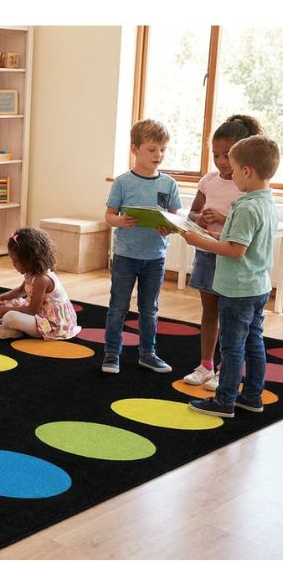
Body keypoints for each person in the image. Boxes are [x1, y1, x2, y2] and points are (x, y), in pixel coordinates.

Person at [183, 135, 280, 418]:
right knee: (254, 342)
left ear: (247, 171)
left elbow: (235, 250)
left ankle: (224, 400)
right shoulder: (266, 202)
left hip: (238, 290)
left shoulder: (247, 206)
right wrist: (208, 234)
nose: (231, 173)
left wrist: (198, 241)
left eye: (235, 169)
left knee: (232, 347)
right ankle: (252, 396)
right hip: (258, 285)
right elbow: (240, 240)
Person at [102, 118, 182, 374]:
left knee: (150, 309)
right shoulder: (124, 181)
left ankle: (148, 353)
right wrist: (121, 221)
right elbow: (109, 215)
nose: (158, 155)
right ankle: (112, 353)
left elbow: (176, 217)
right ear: (135, 149)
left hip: (155, 258)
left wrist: (169, 226)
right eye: (152, 149)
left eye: (162, 149)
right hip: (126, 256)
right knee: (118, 307)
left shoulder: (169, 183)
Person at [0, 228, 81, 340]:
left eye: (15, 261)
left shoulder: (42, 279)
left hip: (50, 325)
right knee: (8, 302)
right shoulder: (32, 273)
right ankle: (10, 324)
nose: (13, 264)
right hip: (39, 313)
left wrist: (4, 310)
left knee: (10, 316)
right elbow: (21, 290)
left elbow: (32, 310)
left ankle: (12, 328)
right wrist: (0, 298)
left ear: (29, 260)